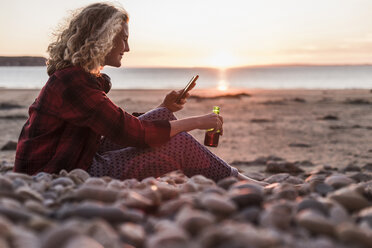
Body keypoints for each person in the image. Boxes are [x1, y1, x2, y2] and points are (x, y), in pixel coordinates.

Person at [14, 2, 264, 184]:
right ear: (103, 39)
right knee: (178, 142)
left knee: (161, 116)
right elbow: (132, 132)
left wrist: (164, 107)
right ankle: (240, 182)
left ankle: (234, 177)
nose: (128, 47)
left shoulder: (77, 77)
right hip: (54, 174)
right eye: (123, 39)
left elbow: (119, 126)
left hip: (74, 159)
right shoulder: (73, 82)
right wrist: (199, 122)